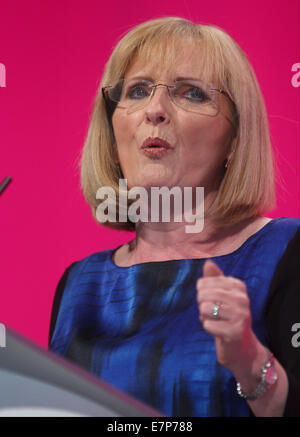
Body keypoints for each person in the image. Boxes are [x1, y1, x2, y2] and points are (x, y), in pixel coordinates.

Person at [48, 17, 300, 417]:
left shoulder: (287, 252)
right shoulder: (80, 284)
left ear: (235, 139)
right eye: (139, 90)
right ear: (113, 136)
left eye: (192, 94)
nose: (156, 110)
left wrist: (250, 361)